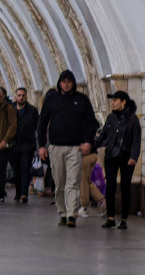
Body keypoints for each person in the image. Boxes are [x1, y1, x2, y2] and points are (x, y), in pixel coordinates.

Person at [37, 69, 99, 227]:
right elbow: (42, 123)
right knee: (60, 182)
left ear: (73, 84)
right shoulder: (51, 99)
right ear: (59, 83)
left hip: (75, 147)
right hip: (56, 147)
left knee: (73, 181)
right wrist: (41, 146)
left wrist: (87, 141)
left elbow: (91, 123)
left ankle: (72, 213)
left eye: (69, 82)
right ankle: (63, 211)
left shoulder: (82, 100)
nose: (66, 85)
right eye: (63, 82)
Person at [93, 90, 140, 229]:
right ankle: (111, 218)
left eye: (115, 100)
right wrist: (91, 146)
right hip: (111, 156)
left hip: (126, 156)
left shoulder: (132, 119)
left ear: (123, 102)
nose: (112, 103)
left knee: (125, 186)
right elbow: (103, 136)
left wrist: (134, 157)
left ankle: (124, 219)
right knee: (111, 185)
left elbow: (136, 140)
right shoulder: (111, 118)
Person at [11, 87, 39, 203]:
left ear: (26, 96)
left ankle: (24, 193)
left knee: (25, 168)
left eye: (23, 95)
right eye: (19, 95)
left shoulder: (32, 111)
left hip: (27, 144)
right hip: (14, 144)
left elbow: (37, 126)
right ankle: (18, 193)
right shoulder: (11, 109)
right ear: (15, 96)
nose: (21, 97)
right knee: (16, 170)